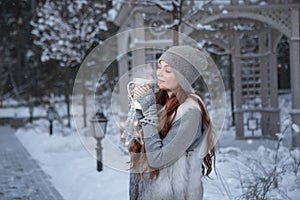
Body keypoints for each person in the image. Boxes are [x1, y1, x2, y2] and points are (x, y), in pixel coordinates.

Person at [127, 45, 216, 200]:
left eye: (168, 70)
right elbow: (145, 143)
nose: (159, 74)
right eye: (160, 67)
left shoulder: (190, 113)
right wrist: (141, 106)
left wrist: (149, 112)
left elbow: (157, 160)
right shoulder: (163, 103)